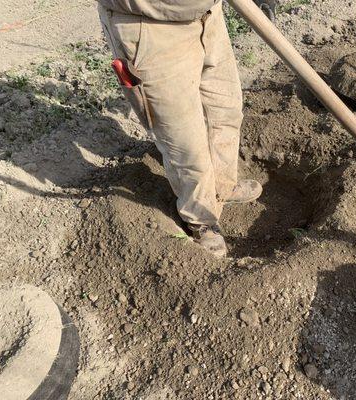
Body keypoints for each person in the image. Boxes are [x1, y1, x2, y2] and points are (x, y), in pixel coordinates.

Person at [96, 0, 263, 257]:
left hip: (207, 13)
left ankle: (222, 186)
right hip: (151, 26)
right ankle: (201, 217)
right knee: (184, 140)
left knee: (225, 109)